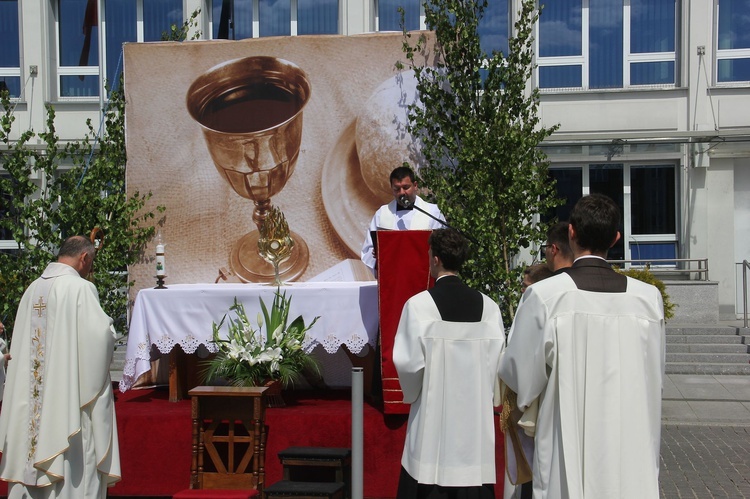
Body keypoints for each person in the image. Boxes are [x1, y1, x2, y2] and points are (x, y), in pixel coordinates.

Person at [498, 194, 665, 498]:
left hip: (568, 445)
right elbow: (654, 376)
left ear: (571, 233)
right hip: (631, 445)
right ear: (615, 238)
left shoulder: (545, 296)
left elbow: (519, 376)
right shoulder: (647, 300)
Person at [0, 235, 121, 498]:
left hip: (31, 404)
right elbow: (99, 340)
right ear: (84, 258)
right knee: (77, 455)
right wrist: (112, 334)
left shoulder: (32, 289)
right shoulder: (80, 289)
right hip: (66, 404)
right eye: (92, 263)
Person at [393, 228, 504, 499]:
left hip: (433, 419)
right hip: (473, 422)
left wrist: (413, 394)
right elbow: (498, 364)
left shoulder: (419, 306)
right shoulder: (489, 308)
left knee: (428, 476)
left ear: (436, 259)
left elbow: (408, 364)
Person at [360, 165, 445, 274]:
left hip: (423, 276)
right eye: (397, 189)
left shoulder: (432, 212)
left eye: (406, 187)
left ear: (415, 186)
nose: (401, 193)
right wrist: (377, 256)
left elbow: (443, 246)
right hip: (392, 277)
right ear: (392, 189)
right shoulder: (382, 214)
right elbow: (367, 250)